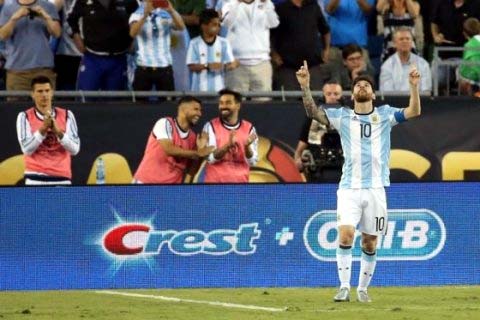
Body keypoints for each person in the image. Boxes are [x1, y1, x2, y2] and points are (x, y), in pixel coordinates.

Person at [296, 59, 421, 302]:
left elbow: (414, 111)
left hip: (376, 188)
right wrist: (305, 86)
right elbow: (313, 112)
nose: (362, 87)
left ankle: (362, 289)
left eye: (366, 85)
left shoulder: (385, 115)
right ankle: (343, 286)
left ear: (373, 93)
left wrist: (414, 86)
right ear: (352, 94)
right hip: (349, 188)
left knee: (370, 242)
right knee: (345, 235)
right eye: (358, 85)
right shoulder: (342, 116)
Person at [133, 96, 214, 184]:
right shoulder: (165, 123)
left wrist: (200, 153)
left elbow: (191, 171)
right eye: (196, 109)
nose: (199, 114)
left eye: (200, 110)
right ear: (183, 109)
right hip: (145, 183)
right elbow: (169, 149)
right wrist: (197, 153)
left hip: (171, 189)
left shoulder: (193, 138)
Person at [16, 76, 80, 185]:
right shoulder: (24, 116)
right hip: (35, 177)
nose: (44, 95)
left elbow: (75, 149)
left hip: (61, 177)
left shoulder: (67, 115)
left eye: (47, 91)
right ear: (32, 94)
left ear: (52, 92)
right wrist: (43, 129)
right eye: (40, 91)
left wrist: (58, 131)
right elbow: (26, 149)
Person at [67, 0, 138, 91]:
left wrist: (133, 41)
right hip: (92, 59)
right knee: (85, 98)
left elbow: (139, 19)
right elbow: (69, 19)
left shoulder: (130, 2)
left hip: (118, 60)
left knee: (116, 101)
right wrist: (76, 38)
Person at [0, 0, 61, 91]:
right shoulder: (8, 8)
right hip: (17, 71)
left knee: (45, 104)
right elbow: (3, 35)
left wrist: (46, 17)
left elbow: (57, 33)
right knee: (16, 105)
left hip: (43, 69)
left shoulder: (48, 6)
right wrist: (14, 18)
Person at [271, 0, 331, 91]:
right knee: (288, 101)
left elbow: (325, 30)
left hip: (312, 65)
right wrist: (273, 54)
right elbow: (270, 34)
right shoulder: (280, 9)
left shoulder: (314, 7)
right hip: (287, 66)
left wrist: (326, 49)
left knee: (316, 99)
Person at [221, 0, 279, 94]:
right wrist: (237, 3)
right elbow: (227, 23)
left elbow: (274, 23)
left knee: (263, 105)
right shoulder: (229, 3)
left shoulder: (266, 3)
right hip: (237, 64)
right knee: (236, 105)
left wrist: (266, 4)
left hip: (262, 64)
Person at [202, 88, 259, 183]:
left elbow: (252, 162)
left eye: (228, 103)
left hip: (240, 186)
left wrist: (247, 148)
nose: (223, 106)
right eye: (221, 103)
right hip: (215, 186)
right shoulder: (210, 126)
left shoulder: (249, 128)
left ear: (238, 106)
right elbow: (210, 158)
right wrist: (227, 146)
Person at [129, 0, 185, 93]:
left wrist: (172, 11)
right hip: (144, 66)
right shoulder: (136, 14)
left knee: (167, 105)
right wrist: (145, 16)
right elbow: (133, 33)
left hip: (164, 67)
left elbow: (181, 27)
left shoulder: (166, 13)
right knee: (139, 105)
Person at [294, 81, 344, 182]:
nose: (333, 97)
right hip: (319, 166)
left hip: (344, 166)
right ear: (323, 96)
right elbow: (301, 146)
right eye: (329, 94)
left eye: (336, 94)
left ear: (342, 96)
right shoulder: (313, 118)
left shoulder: (350, 116)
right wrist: (298, 159)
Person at [186, 9, 237, 92]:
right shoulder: (194, 43)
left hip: (219, 90)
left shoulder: (224, 43)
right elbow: (191, 66)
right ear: (204, 26)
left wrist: (227, 66)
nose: (218, 28)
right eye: (214, 25)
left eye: (219, 25)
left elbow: (231, 64)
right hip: (198, 91)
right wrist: (207, 66)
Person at [379, 27, 431, 92]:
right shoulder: (387, 66)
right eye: (401, 39)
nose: (405, 41)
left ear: (412, 43)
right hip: (394, 101)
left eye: (408, 39)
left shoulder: (423, 64)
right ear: (394, 44)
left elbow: (426, 91)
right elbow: (387, 93)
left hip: (418, 101)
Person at [458, 17, 480, 96]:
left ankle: (468, 102)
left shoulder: (469, 45)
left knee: (461, 75)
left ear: (464, 33)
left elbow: (471, 68)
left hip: (476, 80)